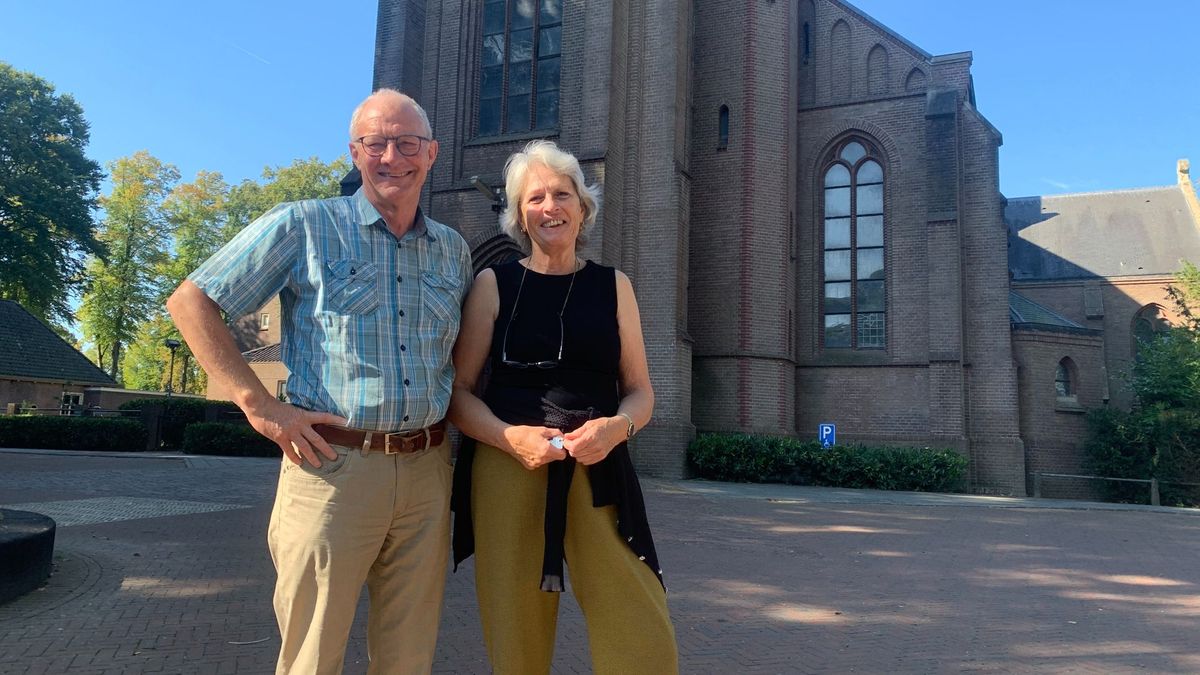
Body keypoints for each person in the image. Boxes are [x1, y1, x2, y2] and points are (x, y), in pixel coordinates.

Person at [166, 89, 471, 675]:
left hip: (429, 473)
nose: (391, 157)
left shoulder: (452, 251)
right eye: (375, 143)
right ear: (354, 153)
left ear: (431, 154)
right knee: (313, 656)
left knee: (409, 658)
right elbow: (191, 301)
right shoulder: (304, 224)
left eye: (407, 143)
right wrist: (258, 404)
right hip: (333, 468)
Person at [448, 139, 678, 674]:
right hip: (508, 466)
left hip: (598, 465)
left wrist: (618, 428)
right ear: (519, 216)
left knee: (641, 628)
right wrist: (510, 438)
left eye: (561, 193)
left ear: (582, 206)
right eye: (534, 198)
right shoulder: (493, 284)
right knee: (516, 631)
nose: (549, 206)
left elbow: (641, 391)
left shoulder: (614, 286)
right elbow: (458, 393)